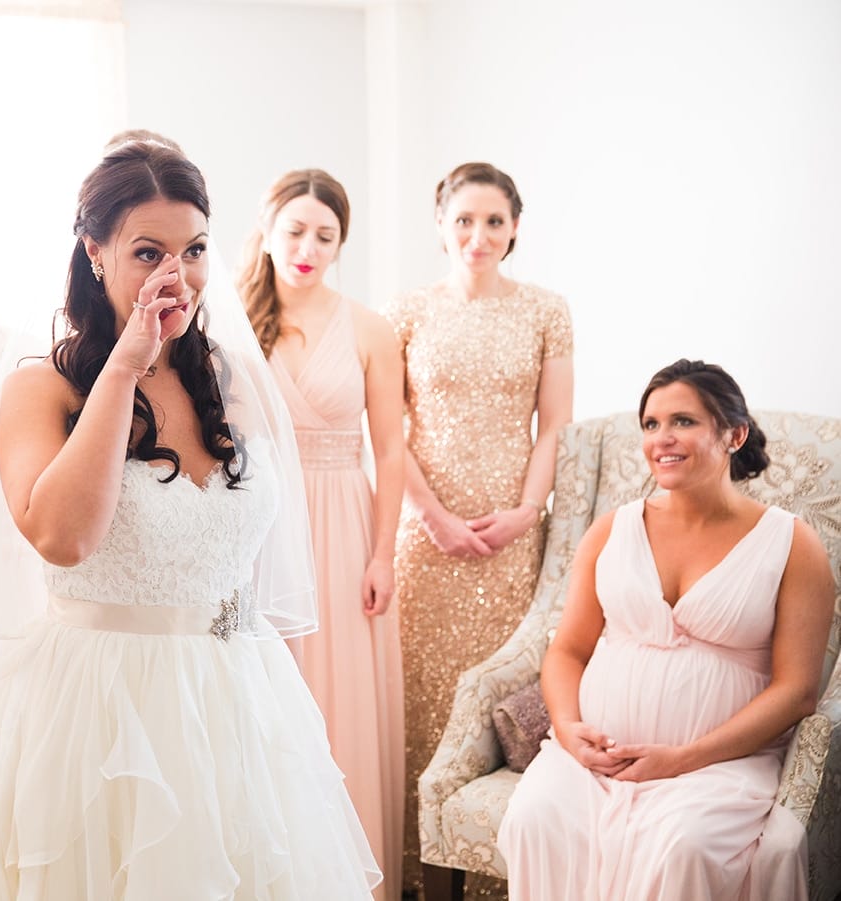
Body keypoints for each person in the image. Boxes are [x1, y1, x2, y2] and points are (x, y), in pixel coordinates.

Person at [0, 140, 380, 899]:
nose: (173, 276)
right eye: (147, 252)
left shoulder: (232, 376)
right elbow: (63, 537)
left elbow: (249, 549)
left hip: (235, 696)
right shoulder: (38, 388)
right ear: (94, 252)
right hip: (100, 708)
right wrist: (123, 364)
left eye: (194, 250)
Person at [497, 359, 834, 900]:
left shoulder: (793, 545)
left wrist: (682, 759)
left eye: (683, 421)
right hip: (594, 762)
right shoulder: (612, 529)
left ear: (734, 434)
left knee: (684, 846)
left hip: (717, 767)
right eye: (651, 424)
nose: (662, 439)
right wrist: (566, 729)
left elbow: (796, 692)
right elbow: (566, 651)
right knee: (534, 818)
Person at [381, 161, 573, 890]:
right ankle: (415, 869)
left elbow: (553, 424)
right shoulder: (404, 313)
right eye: (463, 219)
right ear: (440, 226)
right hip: (425, 538)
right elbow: (389, 433)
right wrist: (431, 518)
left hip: (510, 536)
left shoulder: (545, 309)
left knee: (498, 696)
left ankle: (499, 874)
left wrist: (526, 511)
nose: (478, 234)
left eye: (494, 220)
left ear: (515, 227)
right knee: (423, 697)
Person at [238, 168, 405, 898]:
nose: (308, 247)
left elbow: (392, 449)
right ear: (268, 233)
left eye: (325, 235)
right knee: (259, 695)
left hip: (342, 524)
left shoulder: (368, 327)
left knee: (337, 697)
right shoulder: (230, 320)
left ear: (341, 242)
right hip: (257, 525)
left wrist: (381, 552)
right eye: (295, 231)